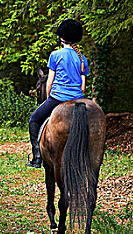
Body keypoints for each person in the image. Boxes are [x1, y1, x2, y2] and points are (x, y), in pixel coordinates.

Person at [27, 19, 89, 168]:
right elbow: (83, 87)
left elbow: (50, 82)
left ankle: (37, 156)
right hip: (78, 99)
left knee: (34, 120)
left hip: (58, 97)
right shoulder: (83, 59)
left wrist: (49, 99)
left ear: (62, 37)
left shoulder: (55, 55)